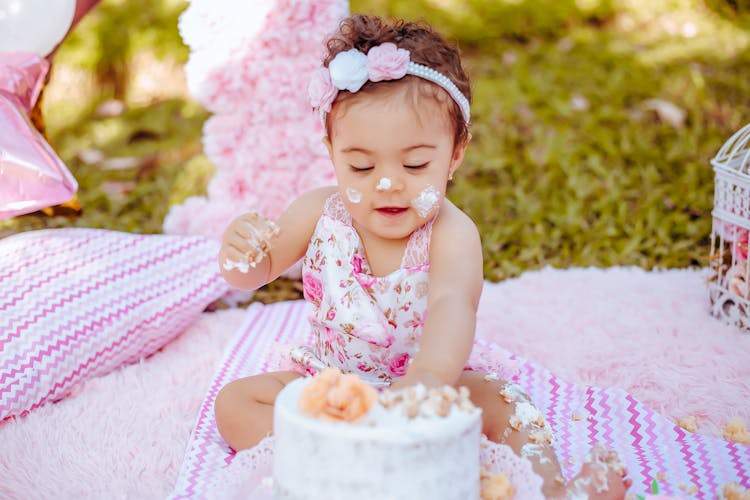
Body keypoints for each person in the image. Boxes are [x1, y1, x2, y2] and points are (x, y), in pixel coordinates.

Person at [214, 13, 631, 498]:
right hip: (332, 386)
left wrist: (429, 378)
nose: (388, 183)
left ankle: (557, 490)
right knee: (236, 404)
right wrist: (240, 253)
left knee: (507, 403)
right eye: (361, 165)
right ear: (332, 152)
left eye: (415, 164)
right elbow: (253, 274)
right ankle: (352, 460)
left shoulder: (451, 233)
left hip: (428, 387)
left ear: (455, 154)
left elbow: (454, 305)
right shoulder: (317, 212)